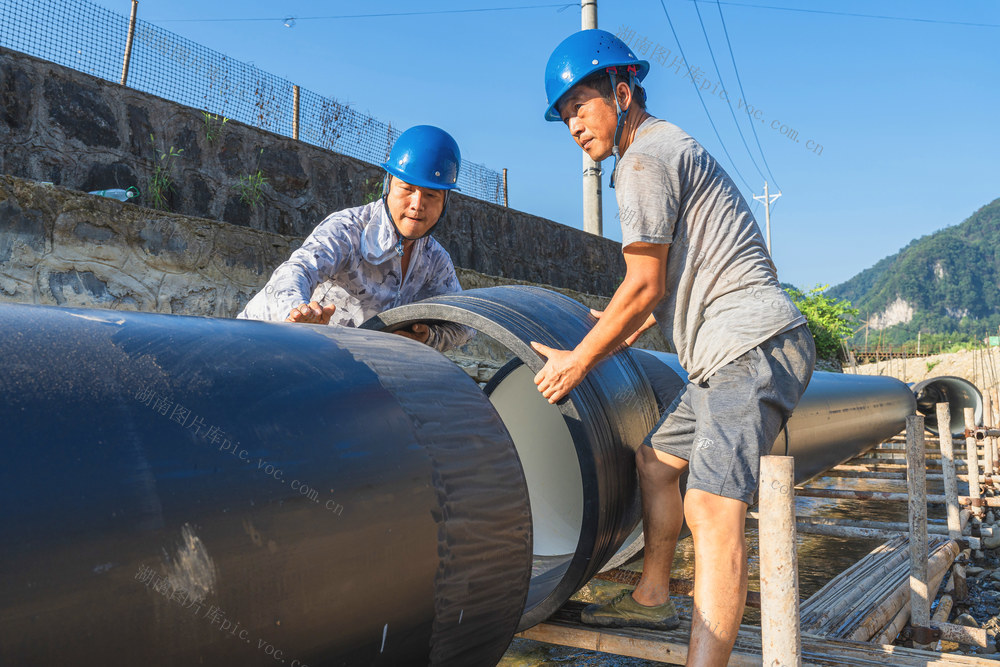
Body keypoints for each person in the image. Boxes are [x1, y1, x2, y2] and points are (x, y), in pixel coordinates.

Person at [531, 29, 815, 665]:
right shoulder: (660, 149)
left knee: (712, 511)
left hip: (747, 347)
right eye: (565, 114)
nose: (574, 125)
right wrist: (600, 331)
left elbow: (644, 285)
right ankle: (653, 593)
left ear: (622, 92)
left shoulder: (642, 161)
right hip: (727, 354)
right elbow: (645, 305)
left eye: (581, 105)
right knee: (658, 461)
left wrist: (580, 361)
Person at [238, 125, 472, 352]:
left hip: (334, 368)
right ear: (388, 185)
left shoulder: (435, 260)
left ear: (445, 202)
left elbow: (465, 324)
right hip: (257, 345)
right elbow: (298, 269)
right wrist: (298, 312)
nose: (417, 205)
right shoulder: (348, 229)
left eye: (431, 194)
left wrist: (430, 338)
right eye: (407, 189)